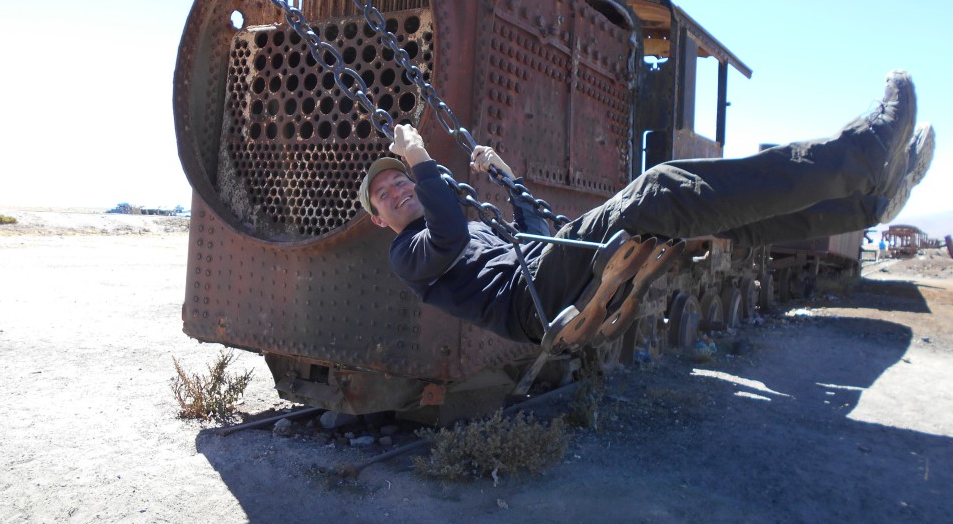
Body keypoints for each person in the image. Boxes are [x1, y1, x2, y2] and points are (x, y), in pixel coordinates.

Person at [358, 70, 934, 344]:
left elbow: (531, 233)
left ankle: (863, 206)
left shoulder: (451, 233)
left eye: (398, 182)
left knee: (708, 223)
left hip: (540, 275)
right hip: (532, 301)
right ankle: (865, 152)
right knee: (659, 188)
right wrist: (417, 156)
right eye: (385, 195)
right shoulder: (407, 255)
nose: (398, 190)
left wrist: (508, 179)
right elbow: (451, 236)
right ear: (380, 220)